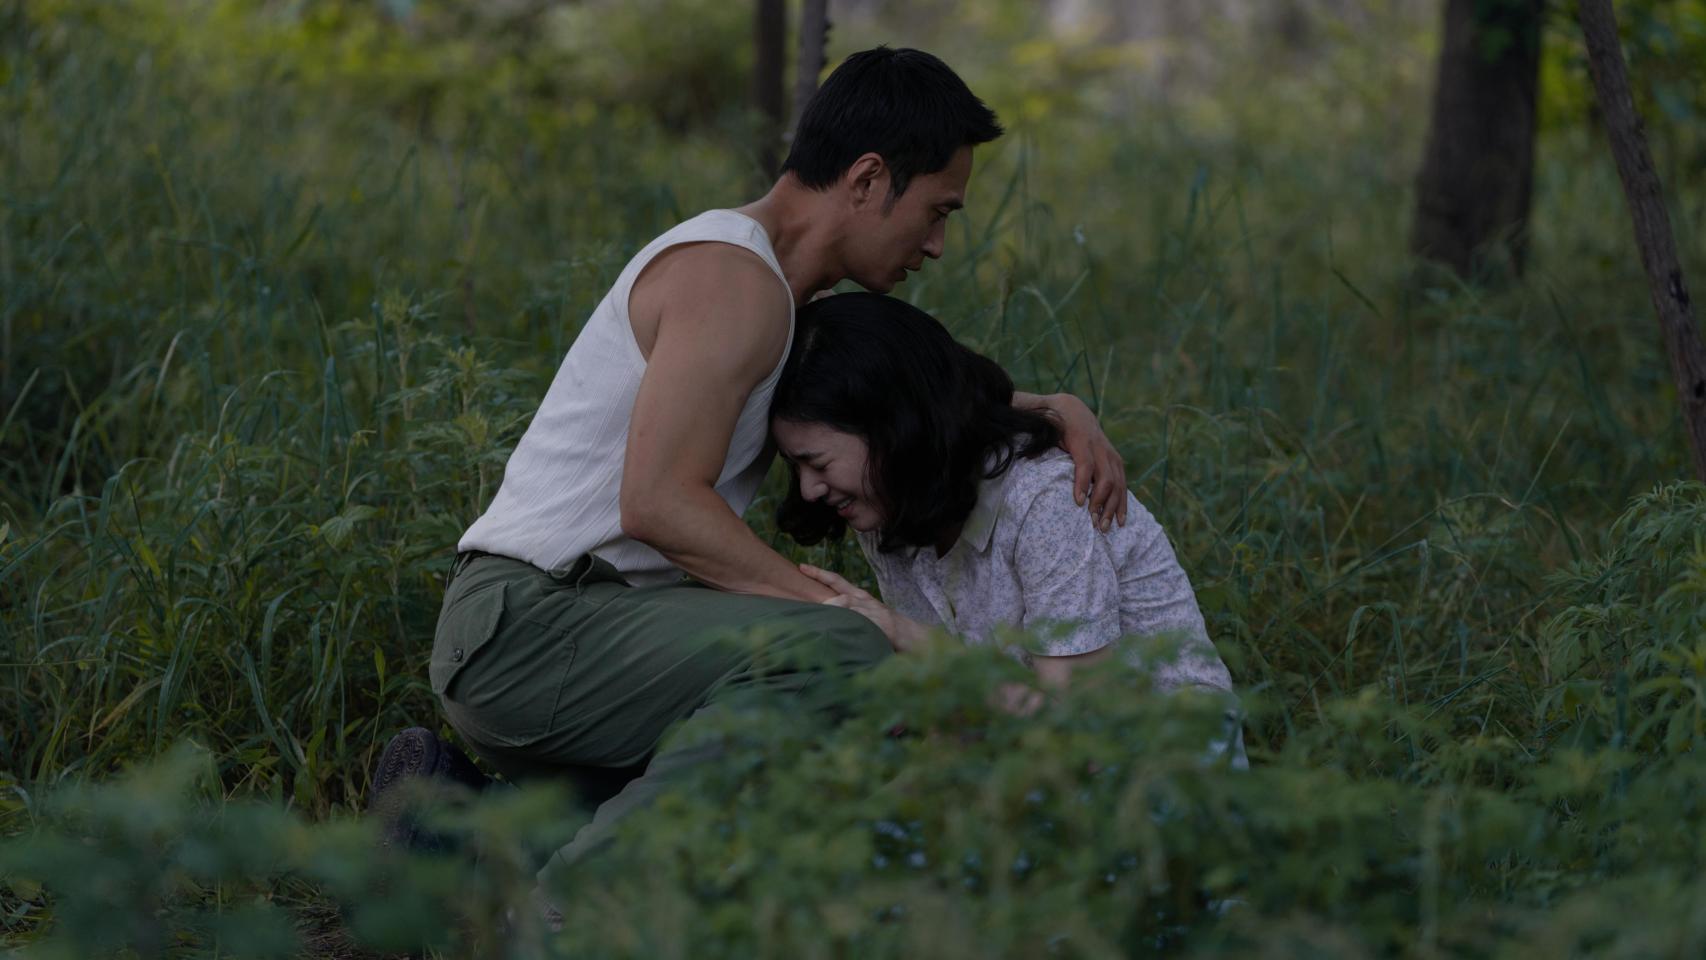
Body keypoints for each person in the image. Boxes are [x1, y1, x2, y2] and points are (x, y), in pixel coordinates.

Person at [370, 47, 1133, 915]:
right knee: (838, 655)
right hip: (535, 628)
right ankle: (568, 917)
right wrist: (846, 616)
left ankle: (460, 839)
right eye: (936, 211)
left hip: (582, 637)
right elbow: (658, 503)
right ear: (868, 179)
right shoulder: (731, 282)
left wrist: (1051, 407)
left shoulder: (774, 296)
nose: (937, 245)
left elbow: (896, 405)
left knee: (790, 796)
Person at [770, 292, 1246, 763]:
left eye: (819, 463)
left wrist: (905, 635)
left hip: (1165, 757)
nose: (809, 490)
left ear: (893, 430)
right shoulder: (889, 505)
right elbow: (956, 713)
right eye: (797, 467)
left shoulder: (1042, 497)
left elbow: (1081, 728)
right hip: (1026, 753)